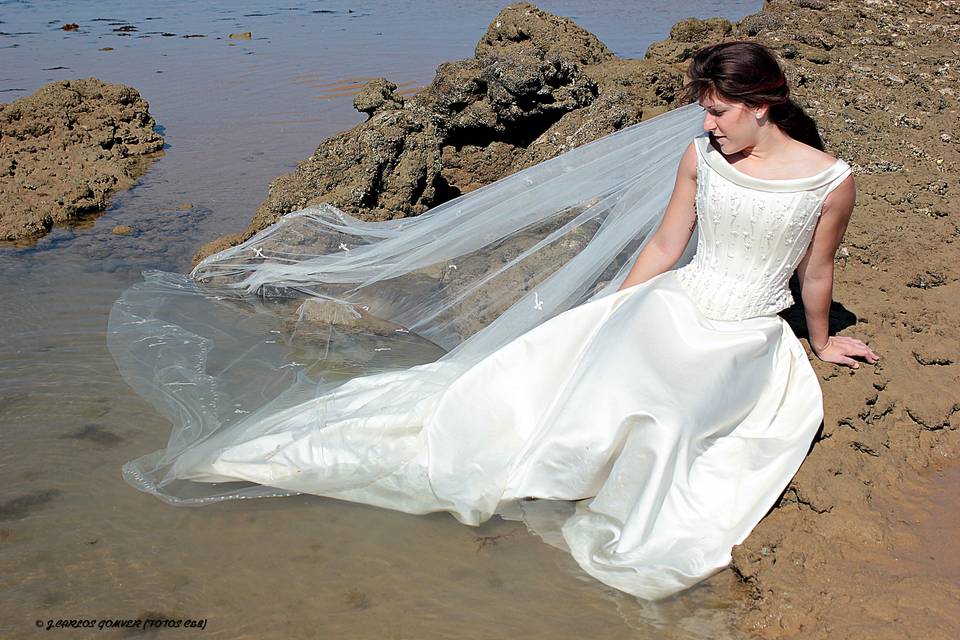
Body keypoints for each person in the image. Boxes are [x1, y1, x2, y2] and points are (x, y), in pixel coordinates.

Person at [108, 41, 878, 601]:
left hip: (745, 330)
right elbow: (668, 243)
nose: (708, 126)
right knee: (587, 376)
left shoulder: (829, 180)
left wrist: (820, 340)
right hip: (674, 303)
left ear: (761, 105)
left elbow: (815, 271)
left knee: (672, 418)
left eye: (717, 113)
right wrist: (618, 307)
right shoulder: (700, 159)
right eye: (704, 114)